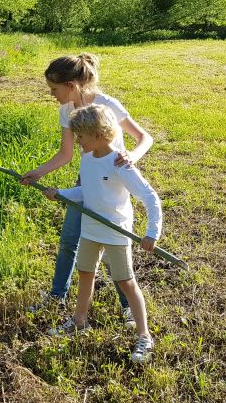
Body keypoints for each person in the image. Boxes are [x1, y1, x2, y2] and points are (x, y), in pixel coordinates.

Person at [20, 53, 153, 327]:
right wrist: (38, 173)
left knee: (115, 250)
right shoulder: (66, 110)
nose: (51, 95)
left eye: (54, 89)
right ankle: (57, 295)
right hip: (85, 187)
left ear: (71, 85)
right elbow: (66, 154)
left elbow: (144, 137)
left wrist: (131, 157)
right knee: (69, 241)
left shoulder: (106, 104)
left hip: (112, 188)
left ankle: (127, 307)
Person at [41, 104, 161, 363]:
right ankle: (79, 321)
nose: (78, 142)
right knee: (86, 272)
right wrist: (60, 194)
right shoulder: (87, 159)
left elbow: (149, 197)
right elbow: (85, 193)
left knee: (125, 282)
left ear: (96, 135)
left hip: (116, 230)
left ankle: (144, 336)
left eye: (81, 137)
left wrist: (152, 232)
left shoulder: (120, 164)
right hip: (91, 228)